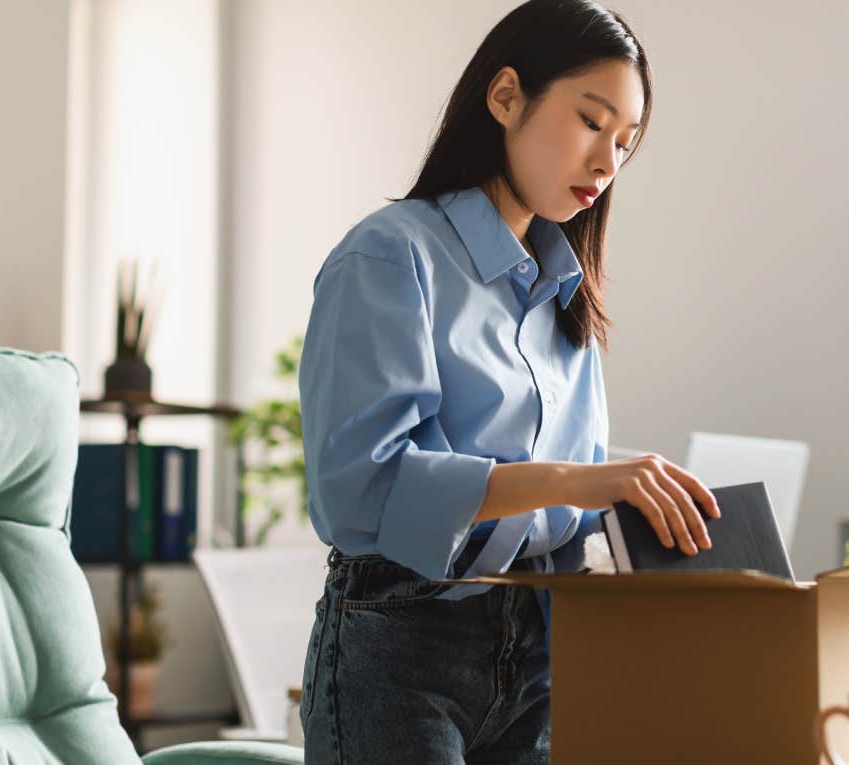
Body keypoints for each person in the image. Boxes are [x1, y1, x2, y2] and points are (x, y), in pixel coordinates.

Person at [295, 1, 720, 762]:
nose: (607, 163)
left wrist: (640, 501)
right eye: (592, 122)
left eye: (626, 142)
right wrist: (572, 480)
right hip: (401, 649)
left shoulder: (567, 292)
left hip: (538, 652)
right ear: (505, 97)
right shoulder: (390, 258)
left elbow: (564, 500)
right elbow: (357, 487)